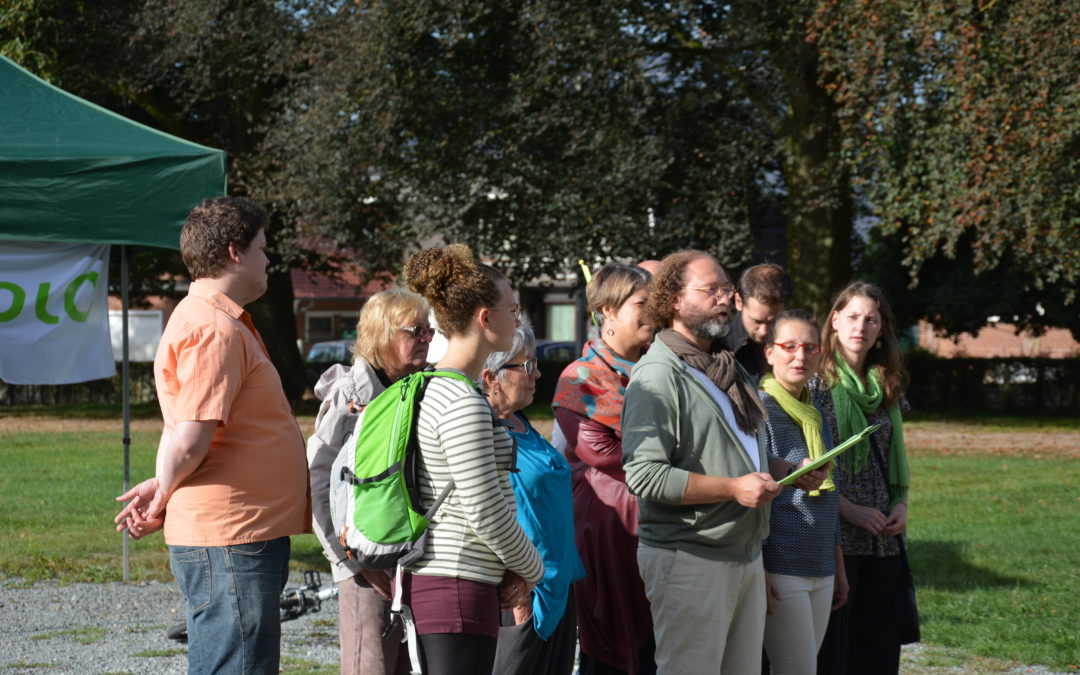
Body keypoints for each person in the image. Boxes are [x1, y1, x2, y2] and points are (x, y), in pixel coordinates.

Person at [114, 197, 310, 674]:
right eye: (262, 248)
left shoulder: (211, 319)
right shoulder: (213, 329)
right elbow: (189, 440)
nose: (268, 260)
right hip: (231, 538)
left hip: (237, 534)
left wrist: (163, 486)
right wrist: (163, 493)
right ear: (234, 252)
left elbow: (181, 428)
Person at [621, 250, 826, 675]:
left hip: (743, 553)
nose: (724, 298)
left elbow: (739, 456)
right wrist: (734, 489)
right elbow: (645, 475)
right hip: (690, 556)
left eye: (726, 289)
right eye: (709, 289)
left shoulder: (726, 369)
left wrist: (788, 472)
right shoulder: (659, 374)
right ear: (674, 300)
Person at [400, 244, 544, 675]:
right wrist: (533, 571)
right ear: (485, 318)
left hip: (452, 587)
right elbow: (485, 511)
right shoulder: (462, 401)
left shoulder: (432, 385)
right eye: (511, 309)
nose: (516, 320)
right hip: (456, 589)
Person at [306, 287, 433, 675]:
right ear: (382, 335)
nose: (426, 338)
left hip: (414, 560)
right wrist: (349, 562)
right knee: (370, 665)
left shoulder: (422, 387)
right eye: (415, 330)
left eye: (429, 331)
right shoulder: (351, 395)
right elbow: (316, 481)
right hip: (365, 565)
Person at [551, 262, 656, 675]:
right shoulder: (581, 380)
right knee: (610, 654)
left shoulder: (667, 371)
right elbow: (605, 455)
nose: (653, 313)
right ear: (608, 310)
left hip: (663, 524)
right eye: (642, 304)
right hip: (609, 532)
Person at [812, 281, 911, 675]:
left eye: (871, 319)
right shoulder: (816, 383)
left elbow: (894, 454)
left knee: (879, 647)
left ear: (882, 329)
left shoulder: (885, 383)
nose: (861, 326)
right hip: (835, 532)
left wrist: (901, 503)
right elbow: (801, 464)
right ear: (834, 320)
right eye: (852, 316)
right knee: (837, 648)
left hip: (882, 537)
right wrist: (848, 510)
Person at [481, 324, 586, 675]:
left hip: (556, 588)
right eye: (526, 365)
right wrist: (522, 600)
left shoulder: (518, 421)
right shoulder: (481, 428)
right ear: (491, 376)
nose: (537, 373)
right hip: (521, 596)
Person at [758, 310, 848, 675]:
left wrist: (838, 565)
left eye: (810, 348)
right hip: (781, 564)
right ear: (769, 353)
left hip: (821, 565)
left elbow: (830, 493)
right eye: (789, 346)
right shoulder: (759, 409)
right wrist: (758, 569)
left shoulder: (816, 414)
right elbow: (755, 490)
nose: (800, 356)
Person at [720, 263, 791, 380]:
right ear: (738, 302)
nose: (764, 331)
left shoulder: (797, 347)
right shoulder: (718, 348)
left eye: (773, 321)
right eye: (757, 321)